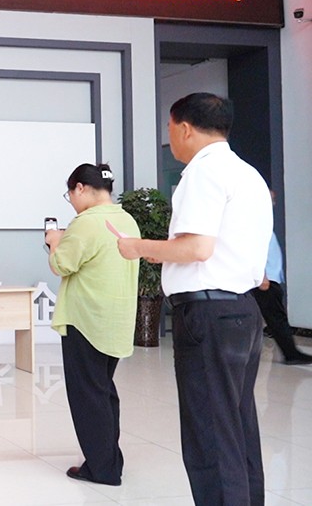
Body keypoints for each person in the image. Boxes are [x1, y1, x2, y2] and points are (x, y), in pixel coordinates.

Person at [118, 92, 272, 505]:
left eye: (170, 128)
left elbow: (198, 248)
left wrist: (137, 247)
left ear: (184, 128)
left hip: (209, 314)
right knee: (237, 425)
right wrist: (165, 252)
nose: (170, 137)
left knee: (211, 434)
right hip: (242, 310)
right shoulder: (249, 175)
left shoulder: (203, 173)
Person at [45, 163, 139, 487]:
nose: (71, 200)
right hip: (115, 319)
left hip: (86, 320)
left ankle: (102, 469)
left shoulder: (85, 223)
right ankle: (110, 460)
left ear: (81, 188)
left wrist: (54, 241)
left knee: (88, 397)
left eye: (70, 193)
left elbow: (62, 265)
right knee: (103, 392)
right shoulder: (126, 220)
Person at [252, 193, 312, 365]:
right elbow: (254, 249)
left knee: (275, 318)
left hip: (270, 277)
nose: (273, 202)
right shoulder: (255, 222)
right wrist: (262, 275)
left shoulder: (262, 220)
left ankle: (291, 353)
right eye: (270, 199)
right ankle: (291, 354)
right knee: (276, 318)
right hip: (265, 279)